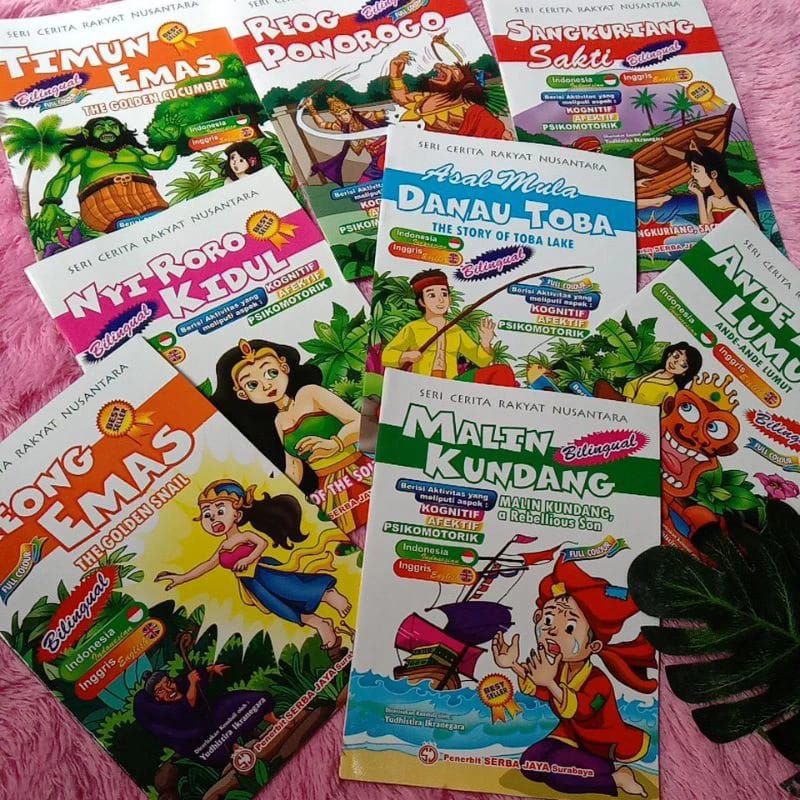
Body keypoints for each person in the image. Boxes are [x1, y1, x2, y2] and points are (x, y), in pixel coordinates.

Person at [492, 559, 657, 797]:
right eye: (548, 620)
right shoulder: (559, 668)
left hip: (600, 746)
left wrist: (550, 682)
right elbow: (543, 689)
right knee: (530, 764)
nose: (552, 631)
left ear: (594, 645)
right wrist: (513, 665)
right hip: (569, 736)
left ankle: (615, 778)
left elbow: (583, 709)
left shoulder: (598, 681)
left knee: (559, 773)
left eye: (569, 627)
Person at [155, 480, 351, 651]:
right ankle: (321, 624)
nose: (213, 518)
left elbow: (262, 544)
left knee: (296, 590)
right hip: (252, 584)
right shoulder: (222, 547)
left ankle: (330, 595)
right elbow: (206, 566)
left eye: (220, 511)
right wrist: (180, 578)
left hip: (266, 571)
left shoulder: (244, 536)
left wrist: (248, 559)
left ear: (237, 515)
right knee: (282, 608)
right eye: (207, 514)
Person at [211, 342, 372, 538]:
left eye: (271, 373)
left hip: (359, 470)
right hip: (330, 489)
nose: (266, 385)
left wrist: (336, 443)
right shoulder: (279, 421)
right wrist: (271, 489)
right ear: (243, 394)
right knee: (358, 537)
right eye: (252, 384)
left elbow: (360, 422)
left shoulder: (310, 393)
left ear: (284, 367)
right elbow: (294, 468)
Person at [382, 269, 517, 386]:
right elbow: (386, 356)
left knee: (502, 371)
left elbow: (481, 361)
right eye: (432, 295)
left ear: (450, 299)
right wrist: (406, 356)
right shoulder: (413, 328)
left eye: (444, 294)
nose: (440, 300)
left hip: (452, 384)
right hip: (422, 383)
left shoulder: (455, 330)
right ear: (422, 301)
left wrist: (486, 342)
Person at [134, 664, 277, 767]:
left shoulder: (178, 684)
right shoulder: (165, 712)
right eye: (161, 690)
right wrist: (193, 684)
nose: (168, 689)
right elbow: (187, 704)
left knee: (245, 700)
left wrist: (212, 668)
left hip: (214, 716)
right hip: (200, 737)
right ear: (156, 698)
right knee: (217, 744)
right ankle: (238, 751)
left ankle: (274, 720)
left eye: (168, 682)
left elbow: (192, 675)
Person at [388, 35, 512, 140]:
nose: (440, 65)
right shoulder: (427, 98)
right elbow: (402, 98)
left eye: (453, 70)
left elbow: (493, 129)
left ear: (465, 85)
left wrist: (501, 133)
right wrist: (395, 75)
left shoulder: (470, 111)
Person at [302, 96, 387, 186]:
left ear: (349, 111)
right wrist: (310, 107)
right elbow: (322, 124)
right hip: (375, 158)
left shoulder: (365, 115)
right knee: (361, 187)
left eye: (344, 113)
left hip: (388, 151)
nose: (343, 117)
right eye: (339, 116)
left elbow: (387, 114)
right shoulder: (342, 125)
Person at [594, 341, 701, 407]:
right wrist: (628, 401)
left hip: (638, 415)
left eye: (682, 364)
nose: (674, 362)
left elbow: (663, 413)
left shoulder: (672, 389)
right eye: (676, 356)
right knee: (602, 385)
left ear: (685, 372)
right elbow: (632, 384)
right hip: (626, 402)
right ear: (669, 354)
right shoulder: (656, 372)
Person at [686, 143, 761, 226]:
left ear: (713, 174)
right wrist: (699, 194)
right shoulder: (710, 200)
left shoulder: (736, 198)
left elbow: (753, 223)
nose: (692, 174)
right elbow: (705, 225)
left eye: (696, 170)